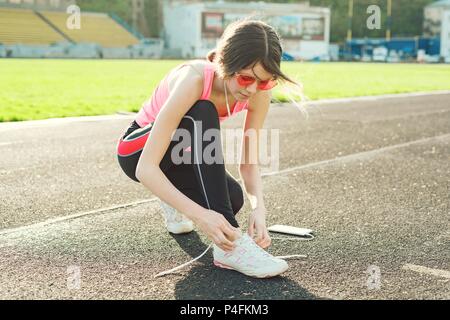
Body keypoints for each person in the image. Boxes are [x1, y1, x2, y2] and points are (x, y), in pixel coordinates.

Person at [117, 18, 301, 278]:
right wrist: (202, 216)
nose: (252, 89)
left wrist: (259, 208)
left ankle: (172, 199)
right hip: (137, 152)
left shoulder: (258, 92)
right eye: (246, 78)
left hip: (182, 154)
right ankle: (231, 248)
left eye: (264, 81)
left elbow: (248, 163)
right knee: (203, 110)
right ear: (226, 63)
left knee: (233, 197)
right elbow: (146, 169)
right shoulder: (194, 79)